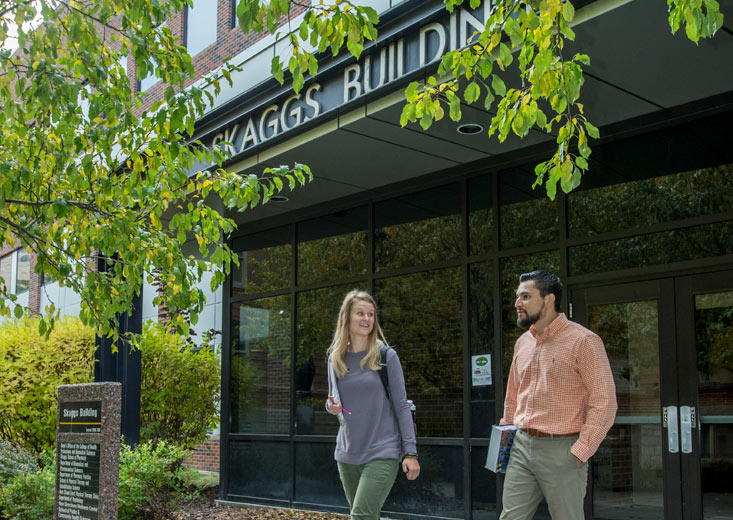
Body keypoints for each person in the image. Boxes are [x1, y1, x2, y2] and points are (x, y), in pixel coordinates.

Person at [500, 271, 617, 520]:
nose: (517, 303)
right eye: (517, 296)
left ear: (549, 299)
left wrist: (580, 450)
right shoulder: (522, 343)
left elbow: (604, 402)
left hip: (562, 449)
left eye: (525, 296)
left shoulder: (584, 341)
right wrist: (507, 436)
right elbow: (513, 396)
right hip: (521, 447)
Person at [326, 289, 420, 520]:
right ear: (346, 318)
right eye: (360, 313)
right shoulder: (335, 358)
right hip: (347, 454)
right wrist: (331, 407)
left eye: (371, 314)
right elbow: (334, 399)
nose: (367, 319)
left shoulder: (386, 356)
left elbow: (401, 406)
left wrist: (411, 452)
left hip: (382, 450)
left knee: (361, 515)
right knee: (367, 516)